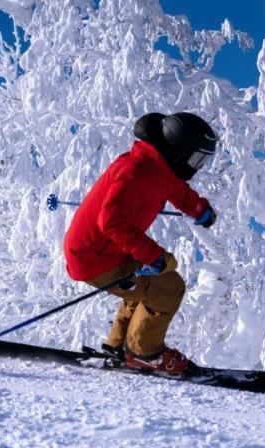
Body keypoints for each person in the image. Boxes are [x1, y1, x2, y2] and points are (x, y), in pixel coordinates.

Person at [63, 112, 219, 376]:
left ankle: (119, 347)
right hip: (95, 256)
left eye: (202, 161)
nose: (197, 166)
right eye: (196, 158)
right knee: (169, 288)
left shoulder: (157, 164)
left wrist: (198, 208)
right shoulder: (136, 171)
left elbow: (175, 189)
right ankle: (145, 353)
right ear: (180, 149)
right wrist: (153, 256)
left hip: (104, 250)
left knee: (148, 285)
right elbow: (110, 221)